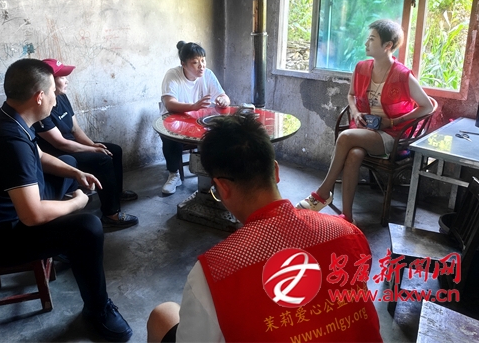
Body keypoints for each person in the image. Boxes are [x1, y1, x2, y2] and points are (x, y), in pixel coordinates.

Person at [146, 114, 382, 342]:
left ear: (222, 187)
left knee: (163, 315)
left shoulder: (213, 272)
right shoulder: (348, 232)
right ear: (276, 171)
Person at [0, 59, 132, 342]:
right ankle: (98, 310)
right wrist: (77, 203)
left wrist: (75, 173)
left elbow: (39, 155)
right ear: (39, 96)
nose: (55, 98)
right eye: (52, 92)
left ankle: (66, 244)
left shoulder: (8, 117)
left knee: (69, 162)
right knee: (88, 227)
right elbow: (32, 215)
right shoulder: (9, 141)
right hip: (0, 238)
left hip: (12, 208)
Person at [296, 19, 433, 224]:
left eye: (371, 39)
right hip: (364, 130)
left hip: (391, 135)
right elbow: (351, 95)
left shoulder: (402, 75)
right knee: (354, 155)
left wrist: (393, 121)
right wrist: (356, 112)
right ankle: (347, 218)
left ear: (388, 45)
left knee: (345, 137)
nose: (366, 43)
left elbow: (427, 106)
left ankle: (323, 192)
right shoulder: (361, 68)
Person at [33, 58, 138, 229]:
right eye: (62, 77)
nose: (66, 81)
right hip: (61, 153)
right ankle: (111, 214)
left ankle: (115, 193)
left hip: (73, 145)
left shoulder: (62, 98)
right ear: (49, 81)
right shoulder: (42, 107)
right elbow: (60, 144)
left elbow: (75, 129)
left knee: (114, 150)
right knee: (102, 160)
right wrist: (92, 150)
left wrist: (93, 146)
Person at [159, 41, 230, 195]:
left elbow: (224, 96)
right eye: (195, 62)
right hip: (175, 118)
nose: (201, 66)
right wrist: (193, 106)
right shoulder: (173, 75)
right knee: (170, 136)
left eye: (203, 60)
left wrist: (223, 100)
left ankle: (216, 174)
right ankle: (174, 174)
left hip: (198, 119)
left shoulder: (208, 74)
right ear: (183, 64)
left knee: (222, 133)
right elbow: (169, 104)